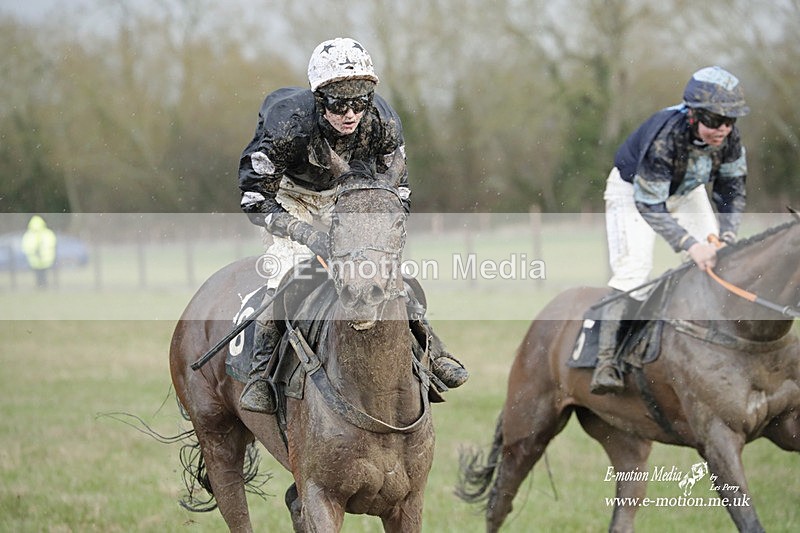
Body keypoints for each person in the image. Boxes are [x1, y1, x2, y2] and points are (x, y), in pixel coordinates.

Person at [237, 37, 469, 413]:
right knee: (287, 271)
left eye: (359, 102)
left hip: (348, 200)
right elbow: (253, 197)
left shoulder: (383, 122)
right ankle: (261, 373)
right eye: (338, 104)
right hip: (287, 197)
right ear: (318, 100)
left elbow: (400, 191)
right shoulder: (288, 123)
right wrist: (305, 234)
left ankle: (431, 350)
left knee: (382, 271)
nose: (350, 114)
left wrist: (379, 234)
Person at [590, 66, 749, 395]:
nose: (724, 129)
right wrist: (690, 245)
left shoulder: (730, 140)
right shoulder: (665, 138)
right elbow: (650, 205)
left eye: (730, 120)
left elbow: (731, 191)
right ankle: (605, 361)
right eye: (716, 120)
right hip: (634, 194)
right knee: (634, 270)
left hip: (686, 191)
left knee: (719, 256)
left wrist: (727, 236)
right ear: (694, 115)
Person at [21, 215, 57, 289]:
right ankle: (42, 286)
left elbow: (25, 247)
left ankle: (42, 286)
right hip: (43, 260)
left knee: (41, 275)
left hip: (40, 260)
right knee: (41, 275)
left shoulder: (29, 235)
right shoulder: (47, 233)